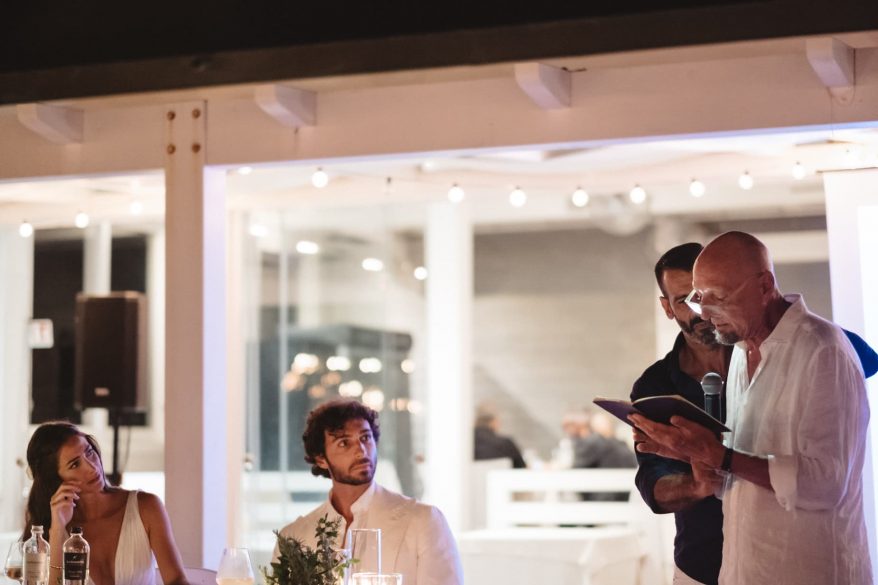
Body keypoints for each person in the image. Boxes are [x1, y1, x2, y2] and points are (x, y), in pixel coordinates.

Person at [632, 231, 872, 585]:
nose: (705, 312)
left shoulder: (823, 349)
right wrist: (696, 460)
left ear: (764, 286)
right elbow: (744, 476)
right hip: (732, 568)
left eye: (718, 297)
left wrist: (721, 456)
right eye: (696, 298)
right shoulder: (742, 350)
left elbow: (826, 483)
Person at [275, 399, 463, 585]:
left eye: (365, 438)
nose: (361, 451)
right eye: (344, 443)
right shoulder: (293, 538)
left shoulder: (423, 521)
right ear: (321, 459)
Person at [23, 422, 188, 585]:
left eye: (89, 452)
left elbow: (177, 581)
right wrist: (58, 530)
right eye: (75, 464)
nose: (92, 467)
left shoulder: (147, 507)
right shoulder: (47, 533)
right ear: (55, 479)